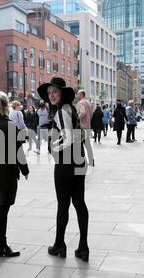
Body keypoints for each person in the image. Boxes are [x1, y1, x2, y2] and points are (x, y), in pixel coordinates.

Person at [37, 77, 91, 262]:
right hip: (78, 160)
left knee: (63, 205)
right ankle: (83, 246)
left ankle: (59, 244)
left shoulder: (61, 112)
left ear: (62, 94)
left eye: (55, 92)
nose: (51, 96)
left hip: (66, 163)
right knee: (79, 202)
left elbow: (68, 137)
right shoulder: (70, 109)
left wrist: (53, 147)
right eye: (50, 93)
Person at [0, 91, 29, 257]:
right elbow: (17, 151)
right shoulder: (9, 125)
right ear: (4, 106)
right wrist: (25, 170)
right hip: (5, 171)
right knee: (2, 209)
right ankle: (1, 244)